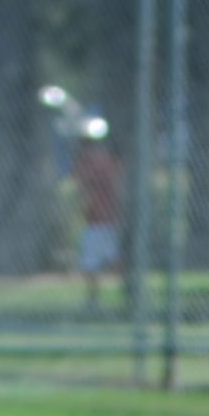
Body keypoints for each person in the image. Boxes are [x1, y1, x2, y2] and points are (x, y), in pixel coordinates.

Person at [74, 127, 125, 305]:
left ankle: (95, 298)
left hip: (100, 219)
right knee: (110, 258)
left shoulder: (92, 161)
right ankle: (127, 295)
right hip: (101, 218)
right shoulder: (105, 160)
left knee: (95, 262)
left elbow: (83, 181)